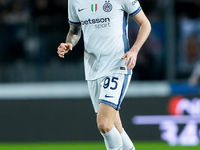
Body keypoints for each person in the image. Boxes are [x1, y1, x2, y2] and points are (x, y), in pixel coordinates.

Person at [57, 0, 151, 149]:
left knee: (104, 124)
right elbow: (74, 30)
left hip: (117, 65)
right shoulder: (74, 1)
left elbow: (145, 24)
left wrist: (134, 50)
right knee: (115, 127)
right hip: (92, 69)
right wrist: (70, 43)